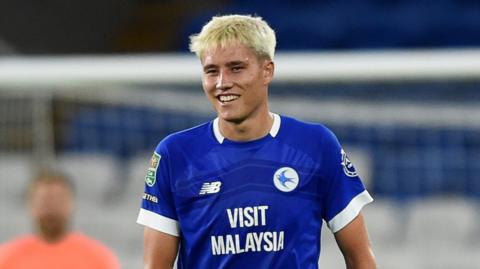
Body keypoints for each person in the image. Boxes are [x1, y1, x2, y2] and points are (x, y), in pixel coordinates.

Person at [137, 14, 376, 268]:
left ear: (267, 70)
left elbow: (360, 258)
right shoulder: (175, 154)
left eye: (236, 68)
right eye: (211, 71)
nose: (222, 83)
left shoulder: (316, 145)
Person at [0, 169, 120, 269]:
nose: (51, 207)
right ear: (30, 205)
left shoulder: (99, 258)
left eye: (58, 200)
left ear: (72, 203)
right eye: (45, 200)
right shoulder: (6, 258)